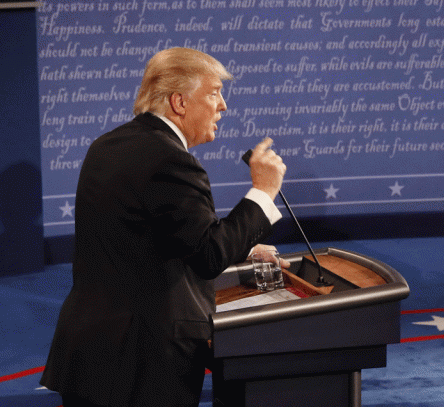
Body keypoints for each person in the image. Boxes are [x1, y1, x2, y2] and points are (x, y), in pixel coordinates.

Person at [40, 47, 288, 407]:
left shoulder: (107, 146)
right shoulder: (171, 160)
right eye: (214, 92)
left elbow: (149, 234)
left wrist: (248, 249)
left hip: (90, 351)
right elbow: (208, 254)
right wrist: (264, 191)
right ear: (179, 102)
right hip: (141, 364)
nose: (223, 106)